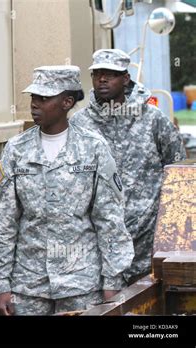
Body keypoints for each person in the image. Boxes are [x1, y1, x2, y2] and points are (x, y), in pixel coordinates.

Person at [0, 66, 134, 315]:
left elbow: (109, 221)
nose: (35, 105)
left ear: (67, 102)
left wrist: (112, 281)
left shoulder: (92, 148)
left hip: (82, 284)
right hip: (28, 286)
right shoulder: (16, 150)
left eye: (44, 98)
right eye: (33, 97)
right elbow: (3, 223)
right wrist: (0, 285)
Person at [71, 49, 186, 284]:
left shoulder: (152, 119)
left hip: (146, 242)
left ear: (125, 79)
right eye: (97, 74)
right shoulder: (79, 123)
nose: (102, 79)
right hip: (96, 242)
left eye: (110, 74)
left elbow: (178, 172)